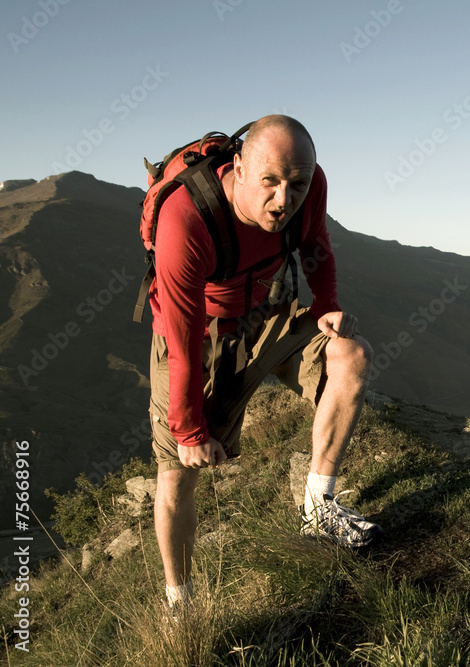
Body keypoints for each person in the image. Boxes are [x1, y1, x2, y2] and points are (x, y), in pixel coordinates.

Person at [148, 115, 380, 612]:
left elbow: (316, 244)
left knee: (352, 355)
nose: (284, 199)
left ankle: (319, 506)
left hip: (264, 310)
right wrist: (189, 430)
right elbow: (184, 336)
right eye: (270, 182)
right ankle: (179, 603)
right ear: (238, 167)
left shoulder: (308, 182)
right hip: (198, 328)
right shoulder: (186, 220)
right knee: (175, 474)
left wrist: (325, 306)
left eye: (296, 183)